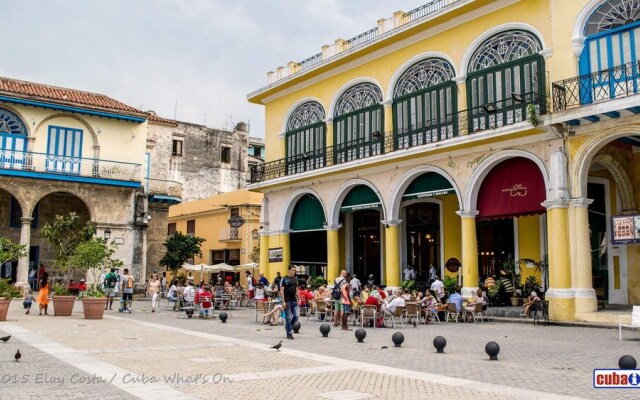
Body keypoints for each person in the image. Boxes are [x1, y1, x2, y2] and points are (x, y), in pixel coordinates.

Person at [280, 265, 299, 340]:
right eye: (292, 270)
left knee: (296, 316)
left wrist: (299, 299)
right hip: (287, 301)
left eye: (294, 270)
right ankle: (289, 333)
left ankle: (288, 327)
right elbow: (281, 290)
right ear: (288, 270)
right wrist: (283, 301)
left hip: (294, 300)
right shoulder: (284, 279)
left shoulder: (295, 279)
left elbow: (297, 290)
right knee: (288, 317)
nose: (293, 272)